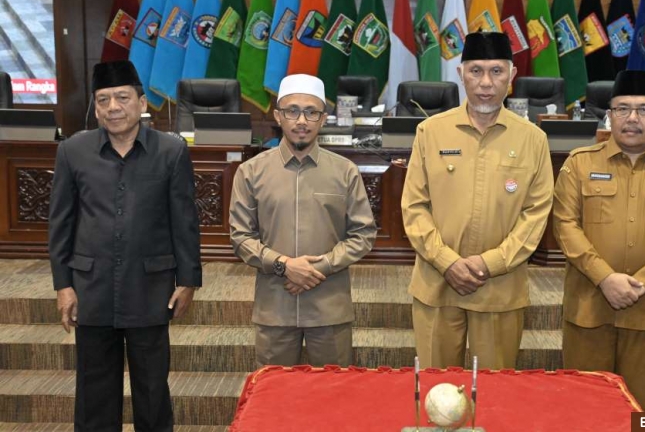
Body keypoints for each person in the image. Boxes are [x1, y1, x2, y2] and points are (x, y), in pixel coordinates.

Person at [48, 60, 201, 431]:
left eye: (122, 97)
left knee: (152, 388)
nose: (113, 107)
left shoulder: (171, 150)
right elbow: (61, 223)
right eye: (103, 100)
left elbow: (184, 221)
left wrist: (189, 280)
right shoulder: (73, 151)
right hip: (91, 287)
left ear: (141, 102)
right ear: (96, 108)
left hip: (150, 287)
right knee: (94, 390)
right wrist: (63, 285)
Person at [552, 70, 645, 411]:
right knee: (583, 404)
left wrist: (642, 283)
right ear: (610, 114)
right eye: (622, 108)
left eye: (644, 109)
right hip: (588, 307)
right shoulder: (579, 164)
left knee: (636, 406)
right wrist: (605, 279)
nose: (632, 118)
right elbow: (565, 226)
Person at [401, 32, 554, 370]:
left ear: (512, 76)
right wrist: (447, 262)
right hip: (437, 283)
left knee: (494, 392)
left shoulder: (533, 139)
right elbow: (414, 207)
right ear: (460, 74)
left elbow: (536, 215)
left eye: (497, 71)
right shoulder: (430, 132)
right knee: (435, 389)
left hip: (500, 286)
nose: (486, 82)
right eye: (476, 71)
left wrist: (490, 264)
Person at [229, 74, 376, 367]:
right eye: (292, 111)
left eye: (311, 112)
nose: (301, 120)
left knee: (332, 398)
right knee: (274, 399)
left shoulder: (345, 171)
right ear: (278, 116)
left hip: (329, 308)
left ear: (323, 119)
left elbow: (363, 235)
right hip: (275, 309)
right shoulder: (250, 172)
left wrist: (316, 268)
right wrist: (285, 266)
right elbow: (240, 238)